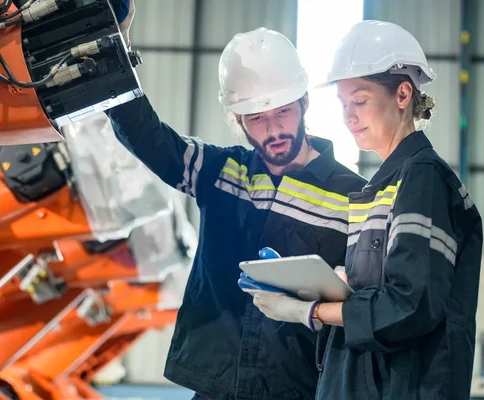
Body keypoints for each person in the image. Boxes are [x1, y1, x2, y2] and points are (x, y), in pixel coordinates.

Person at [107, 2, 367, 399]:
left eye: (282, 112)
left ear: (304, 104)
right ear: (238, 121)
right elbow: (147, 136)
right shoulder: (224, 172)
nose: (274, 129)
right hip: (216, 385)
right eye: (257, 119)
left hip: (295, 388)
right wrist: (113, 47)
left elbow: (369, 302)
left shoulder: (353, 196)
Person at [244, 20, 483, 399]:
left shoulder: (422, 178)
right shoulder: (382, 187)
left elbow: (409, 304)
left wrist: (311, 312)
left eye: (359, 101)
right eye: (342, 104)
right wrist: (326, 285)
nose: (348, 117)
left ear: (403, 95)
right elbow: (384, 291)